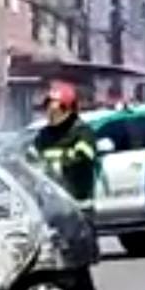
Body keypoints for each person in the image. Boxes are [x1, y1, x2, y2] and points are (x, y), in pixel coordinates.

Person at [32, 80, 98, 214]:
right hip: (51, 203)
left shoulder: (82, 132)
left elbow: (83, 157)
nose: (51, 113)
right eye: (48, 108)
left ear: (68, 109)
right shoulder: (43, 134)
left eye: (56, 109)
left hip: (79, 202)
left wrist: (56, 162)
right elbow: (31, 159)